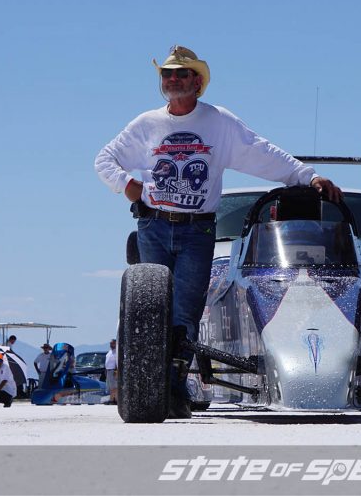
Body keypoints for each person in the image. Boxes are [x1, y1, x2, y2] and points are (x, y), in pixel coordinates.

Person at [95, 45, 342, 419]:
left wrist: (308, 176)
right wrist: (131, 188)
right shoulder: (146, 124)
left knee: (185, 313)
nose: (173, 80)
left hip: (197, 230)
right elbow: (105, 160)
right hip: (153, 226)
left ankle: (173, 389)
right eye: (167, 74)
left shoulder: (218, 122)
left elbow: (262, 152)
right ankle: (151, 389)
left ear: (198, 81)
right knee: (150, 309)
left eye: (181, 74)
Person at [105, 339, 118, 405]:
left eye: (112, 343)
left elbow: (117, 362)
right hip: (108, 371)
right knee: (110, 386)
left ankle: (111, 400)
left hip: (113, 370)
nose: (111, 345)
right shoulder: (110, 352)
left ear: (116, 343)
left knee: (114, 386)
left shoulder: (117, 352)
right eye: (110, 343)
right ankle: (114, 399)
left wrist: (116, 371)